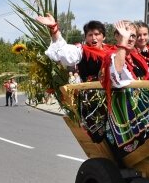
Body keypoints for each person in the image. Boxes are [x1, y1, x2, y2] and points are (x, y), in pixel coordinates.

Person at [38, 14, 114, 142]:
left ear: (103, 36)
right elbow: (63, 51)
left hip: (114, 98)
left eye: (97, 34)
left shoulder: (112, 52)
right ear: (86, 37)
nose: (94, 38)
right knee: (101, 135)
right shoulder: (81, 51)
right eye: (90, 35)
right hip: (93, 101)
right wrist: (54, 29)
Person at [102, 20, 149, 153]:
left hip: (143, 101)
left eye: (132, 35)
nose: (130, 38)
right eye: (125, 34)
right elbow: (117, 74)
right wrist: (123, 43)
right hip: (125, 105)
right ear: (116, 36)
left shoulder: (136, 57)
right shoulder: (112, 55)